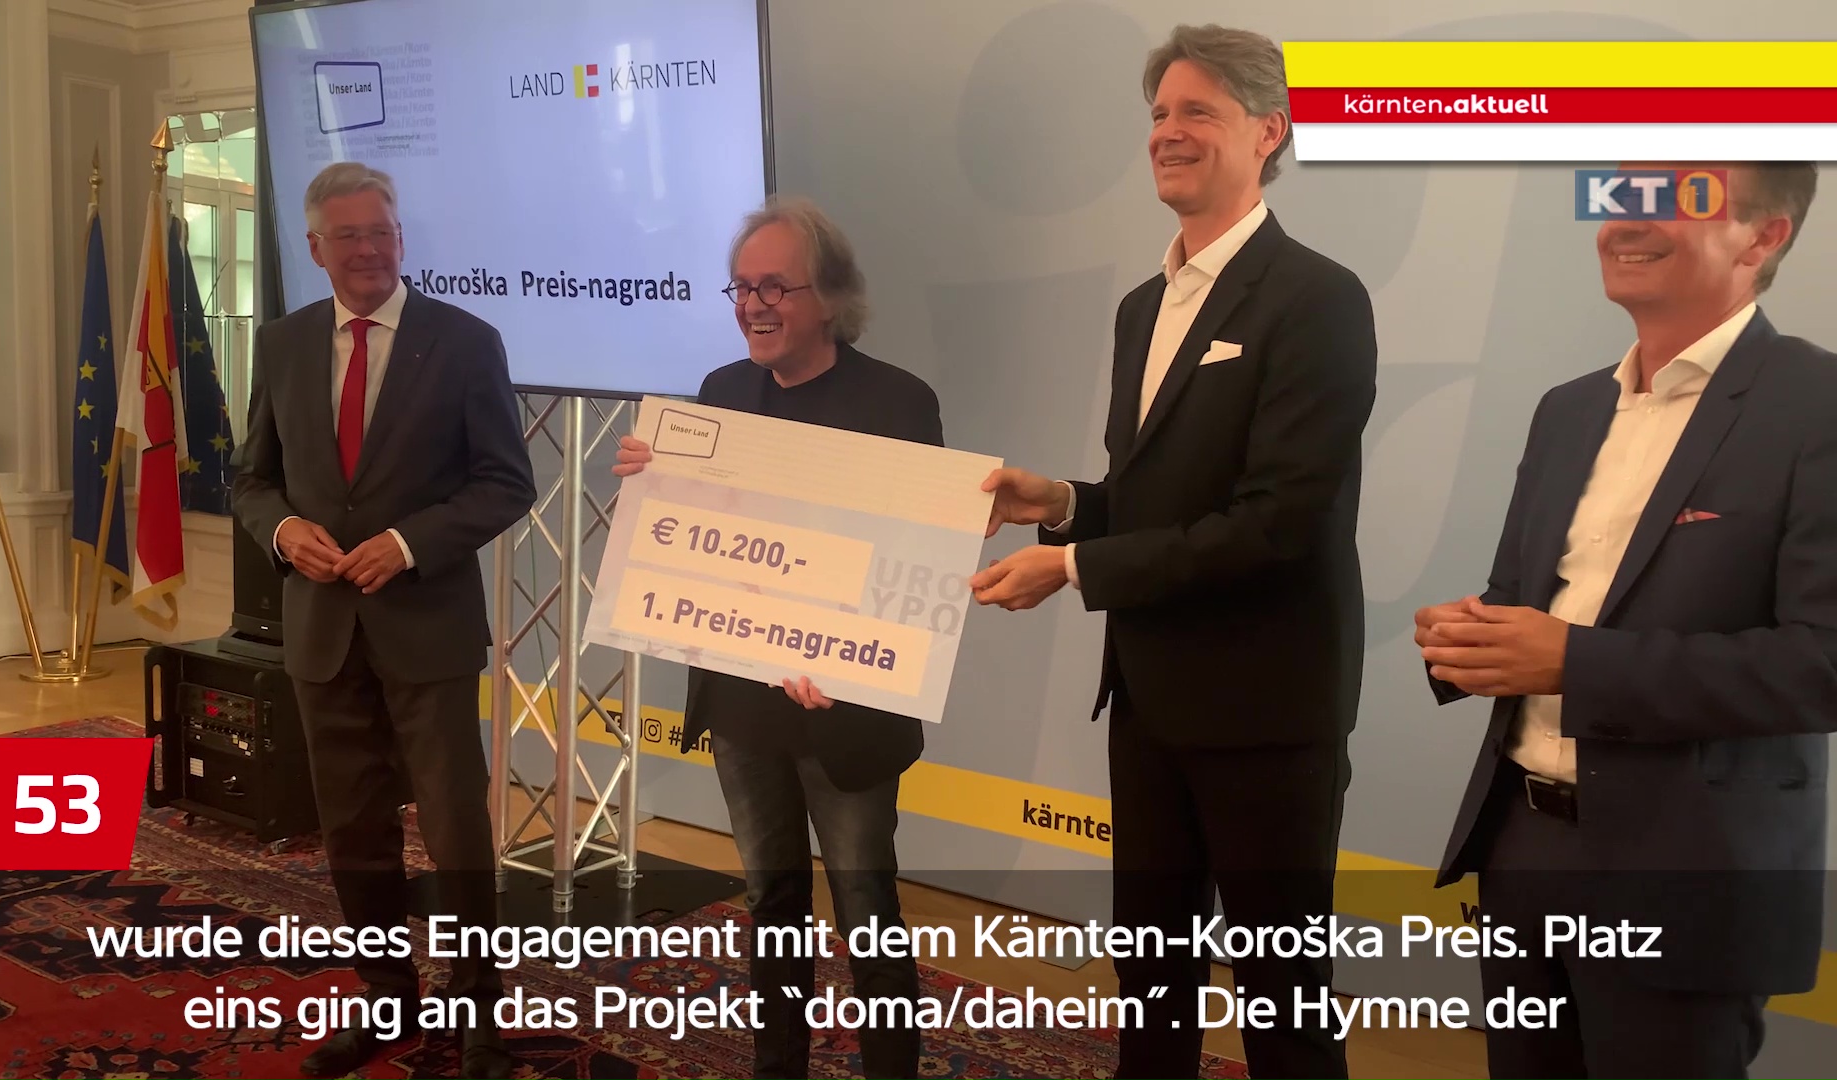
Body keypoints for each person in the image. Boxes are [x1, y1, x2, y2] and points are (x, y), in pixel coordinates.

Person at [970, 24, 1377, 1080]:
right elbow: (1159, 503)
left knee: (1284, 1005)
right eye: (1158, 114)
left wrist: (1074, 568)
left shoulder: (1319, 299)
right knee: (1150, 984)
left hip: (1266, 715)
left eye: (1198, 111)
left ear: (1269, 132)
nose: (1168, 132)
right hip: (1149, 703)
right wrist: (1064, 504)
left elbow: (1279, 522)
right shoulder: (1142, 308)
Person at [1417, 162, 1830, 1080]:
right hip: (1522, 849)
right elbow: (1523, 600)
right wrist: (1470, 639)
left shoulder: (1817, 405)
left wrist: (1575, 662)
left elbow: (1823, 665)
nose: (1625, 222)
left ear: (1765, 235)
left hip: (1686, 874)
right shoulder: (1567, 410)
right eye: (1620, 194)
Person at [613, 195, 937, 1080]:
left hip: (846, 709)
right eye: (742, 287)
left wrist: (833, 648)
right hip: (744, 706)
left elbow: (914, 560)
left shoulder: (899, 402)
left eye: (775, 288)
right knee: (772, 902)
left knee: (867, 910)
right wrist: (653, 485)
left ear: (830, 297)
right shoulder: (720, 396)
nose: (754, 305)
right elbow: (701, 538)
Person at [232, 161, 535, 1080]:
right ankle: (387, 995)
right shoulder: (283, 345)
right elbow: (251, 480)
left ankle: (478, 1014)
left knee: (454, 827)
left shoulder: (467, 341)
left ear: (400, 239)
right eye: (349, 236)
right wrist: (282, 531)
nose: (368, 250)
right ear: (315, 248)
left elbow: (505, 483)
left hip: (428, 630)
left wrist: (407, 544)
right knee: (352, 827)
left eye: (381, 233)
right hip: (322, 633)